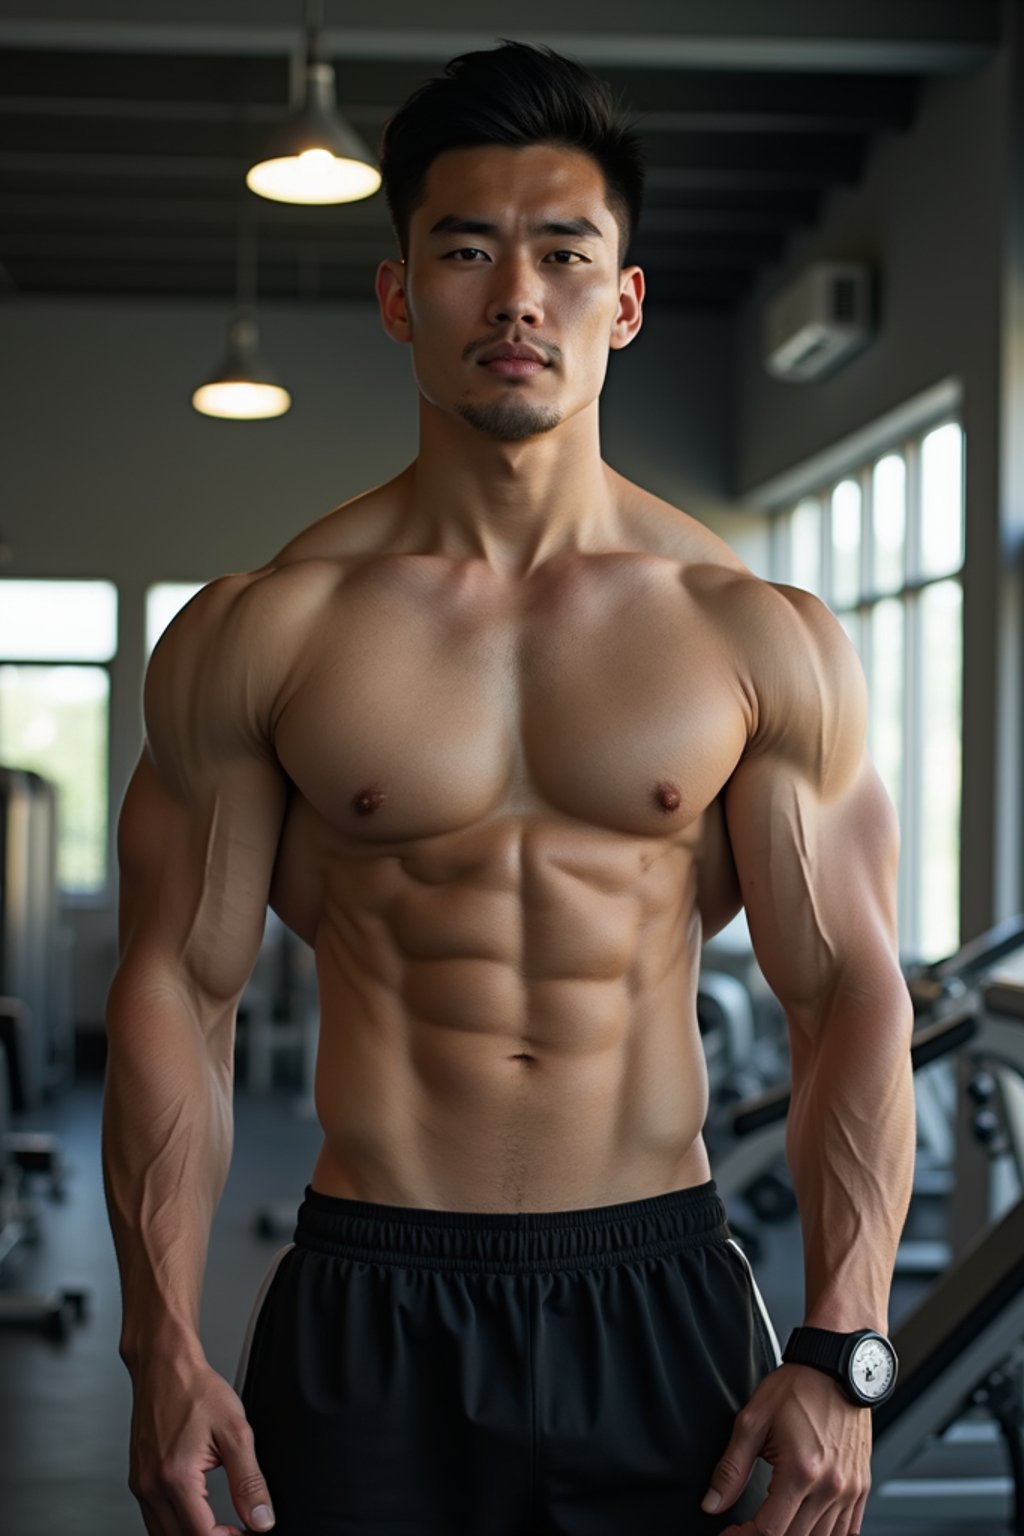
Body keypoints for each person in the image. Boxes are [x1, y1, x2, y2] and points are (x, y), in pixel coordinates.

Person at [102, 38, 916, 1536]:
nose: (517, 295)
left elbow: (850, 992)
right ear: (403, 297)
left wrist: (842, 1346)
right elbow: (175, 990)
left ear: (626, 299)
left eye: (564, 252)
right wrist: (160, 1341)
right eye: (467, 252)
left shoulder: (753, 638)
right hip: (370, 1298)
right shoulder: (266, 632)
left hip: (659, 1293)